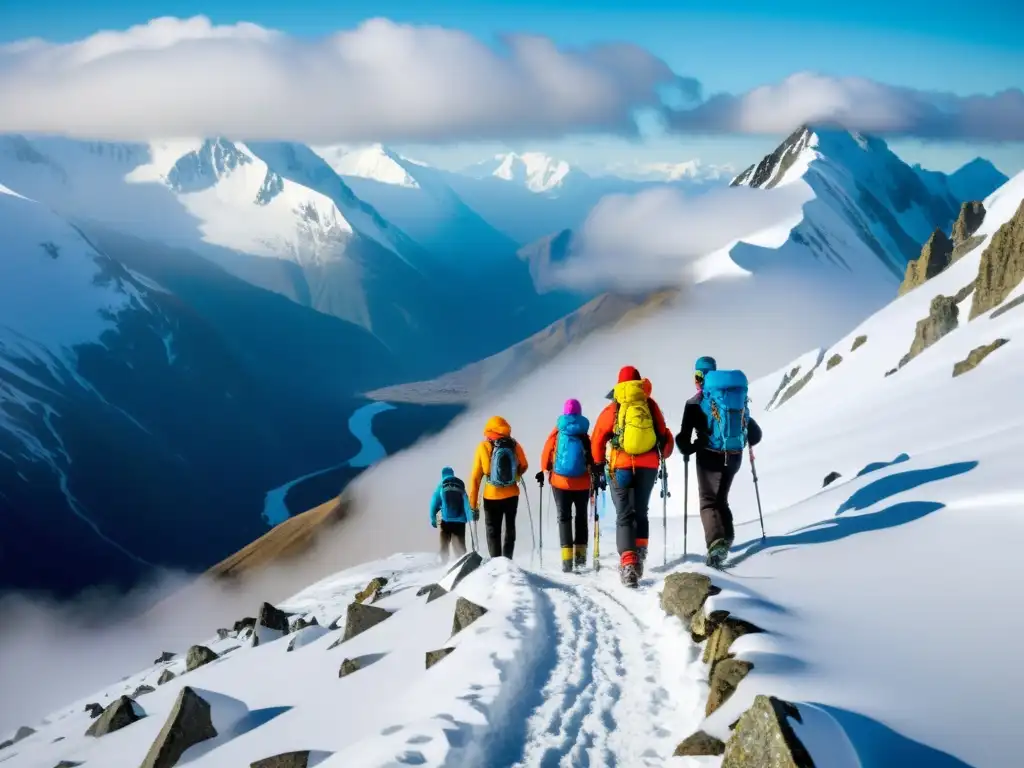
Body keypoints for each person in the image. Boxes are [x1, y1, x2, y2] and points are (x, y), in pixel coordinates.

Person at [675, 357, 763, 567]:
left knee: (708, 501)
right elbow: (756, 435)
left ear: (702, 378)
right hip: (734, 456)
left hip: (709, 456)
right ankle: (727, 536)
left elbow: (684, 441)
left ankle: (716, 544)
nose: (697, 381)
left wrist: (693, 446)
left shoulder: (695, 403)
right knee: (721, 498)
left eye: (698, 376)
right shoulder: (734, 397)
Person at [591, 366, 674, 587]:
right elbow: (663, 434)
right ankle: (640, 556)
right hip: (648, 465)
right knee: (641, 511)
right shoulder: (649, 404)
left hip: (621, 465)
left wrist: (598, 464)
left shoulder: (614, 407)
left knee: (624, 514)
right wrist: (663, 452)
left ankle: (628, 563)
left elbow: (598, 437)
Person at [537, 398, 594, 573]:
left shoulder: (558, 431)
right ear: (579, 412)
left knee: (564, 517)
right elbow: (593, 456)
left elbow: (546, 453)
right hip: (583, 482)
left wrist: (545, 470)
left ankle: (567, 560)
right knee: (581, 517)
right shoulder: (584, 433)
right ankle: (581, 557)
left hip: (560, 482)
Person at [469, 416, 529, 559]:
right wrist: (515, 474)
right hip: (512, 493)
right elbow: (524, 464)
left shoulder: (483, 447)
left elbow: (476, 478)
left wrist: (473, 506)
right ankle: (508, 560)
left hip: (491, 495)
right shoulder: (514, 444)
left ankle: (496, 561)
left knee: (492, 529)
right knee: (510, 527)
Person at [430, 466, 475, 563]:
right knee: (459, 545)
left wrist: (433, 519)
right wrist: (470, 518)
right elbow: (466, 503)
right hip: (460, 522)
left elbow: (434, 503)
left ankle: (443, 562)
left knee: (444, 544)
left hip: (446, 521)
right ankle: (463, 562)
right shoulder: (459, 485)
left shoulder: (441, 486)